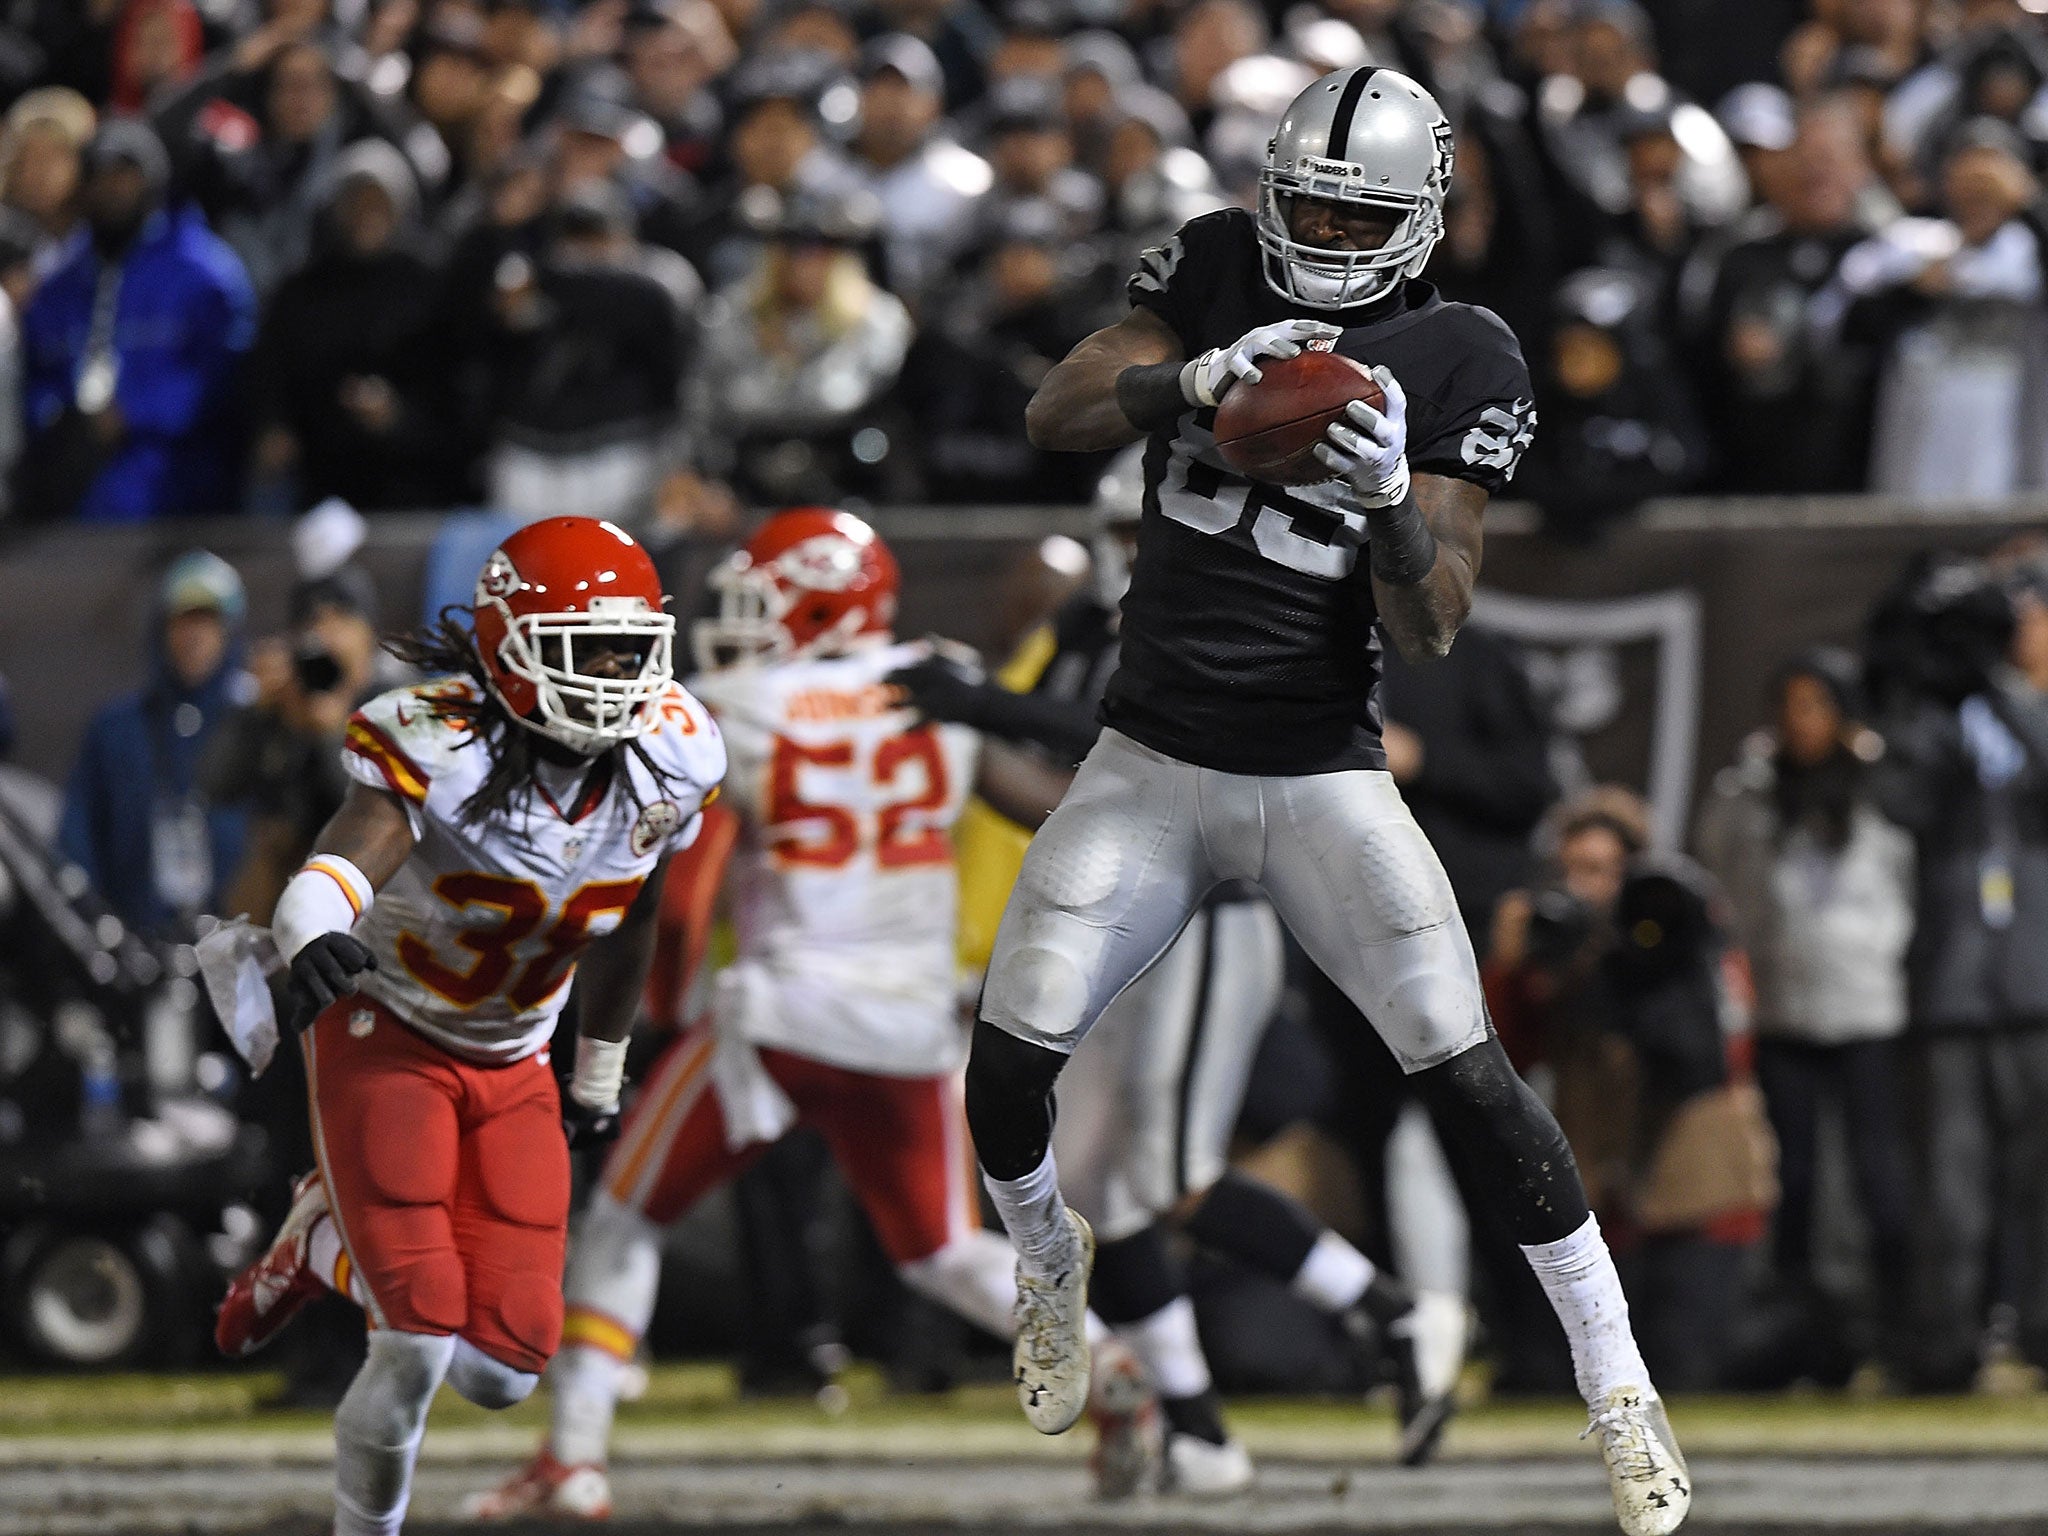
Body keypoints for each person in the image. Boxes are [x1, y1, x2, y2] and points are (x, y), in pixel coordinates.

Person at [973, 66, 1686, 1536]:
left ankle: (1619, 1385)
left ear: (1422, 219)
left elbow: (1433, 622)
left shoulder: (1466, 351)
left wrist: (1385, 511)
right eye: (1299, 201)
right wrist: (1186, 380)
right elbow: (1057, 413)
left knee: (1471, 1073)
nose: (1317, 230)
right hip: (1152, 761)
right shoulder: (1215, 261)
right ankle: (1051, 1260)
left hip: (1318, 775)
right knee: (1005, 1063)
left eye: (1353, 211)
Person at [464, 509, 1080, 1520]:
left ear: (820, 600)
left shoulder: (741, 704)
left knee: (624, 1214)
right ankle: (1124, 1373)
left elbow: (673, 876)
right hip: (911, 1028)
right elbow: (1037, 803)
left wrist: (657, 1005)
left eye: (762, 600)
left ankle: (570, 1459)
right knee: (937, 1251)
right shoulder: (940, 679)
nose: (739, 625)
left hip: (783, 1018)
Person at [894, 454, 1467, 1493]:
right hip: (1132, 927)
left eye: (1140, 540)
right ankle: (1200, 1429)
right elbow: (1066, 787)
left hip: (1211, 921)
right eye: (1118, 542)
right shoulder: (1087, 633)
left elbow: (1121, 736)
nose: (1129, 562)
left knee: (1166, 1180)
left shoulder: (1223, 624)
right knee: (1108, 1193)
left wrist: (986, 708)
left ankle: (1385, 1314)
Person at [210, 516, 726, 1536]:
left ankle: (325, 1250)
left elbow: (633, 921)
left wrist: (598, 1074)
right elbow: (342, 859)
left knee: (502, 1372)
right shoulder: (439, 740)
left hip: (515, 1049)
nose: (619, 674)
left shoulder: (672, 751)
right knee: (414, 1341)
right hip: (390, 1030)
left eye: (632, 647)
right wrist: (311, 927)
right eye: (590, 649)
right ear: (514, 647)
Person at [1694, 650, 1914, 1377]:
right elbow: (1719, 869)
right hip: (1784, 1011)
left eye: (1817, 705)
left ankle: (1897, 1333)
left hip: (1868, 1010)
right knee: (1796, 1188)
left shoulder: (1882, 784)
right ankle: (1798, 1341)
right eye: (1790, 706)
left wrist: (1885, 951)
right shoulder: (1750, 792)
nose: (1802, 722)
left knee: (1880, 1183)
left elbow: (1911, 881)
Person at [18, 120, 254, 522]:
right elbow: (36, 374)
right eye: (100, 176)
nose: (111, 189)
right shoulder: (61, 281)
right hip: (72, 499)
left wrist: (134, 410)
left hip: (180, 494)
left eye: (125, 175)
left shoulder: (204, 272)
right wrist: (60, 418)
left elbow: (224, 376)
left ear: (152, 182)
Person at [58, 548, 250, 940]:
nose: (194, 635)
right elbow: (77, 840)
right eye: (183, 620)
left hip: (244, 941)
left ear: (229, 633)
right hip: (138, 944)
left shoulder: (258, 726)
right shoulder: (117, 729)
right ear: (161, 630)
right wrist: (98, 929)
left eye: (208, 620)